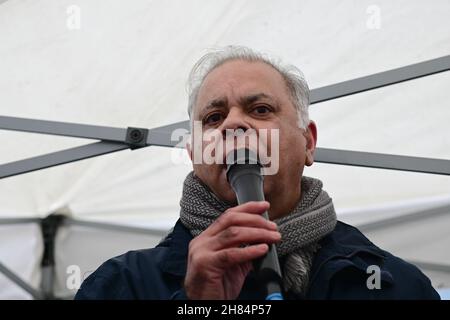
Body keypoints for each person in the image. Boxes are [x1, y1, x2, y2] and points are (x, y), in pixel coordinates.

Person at [75, 46, 440, 300]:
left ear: (308, 143)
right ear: (193, 153)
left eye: (261, 109)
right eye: (214, 118)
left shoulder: (394, 286)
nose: (234, 124)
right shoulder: (121, 285)